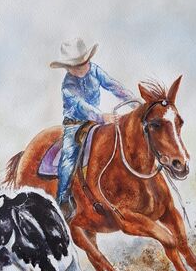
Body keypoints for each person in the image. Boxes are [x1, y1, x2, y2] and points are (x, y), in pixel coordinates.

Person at [50, 37, 136, 220]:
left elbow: (113, 86)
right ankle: (63, 199)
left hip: (97, 122)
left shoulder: (95, 70)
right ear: (67, 67)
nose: (82, 67)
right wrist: (101, 117)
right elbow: (80, 106)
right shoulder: (68, 86)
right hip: (75, 124)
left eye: (84, 62)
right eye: (76, 65)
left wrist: (133, 102)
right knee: (68, 156)